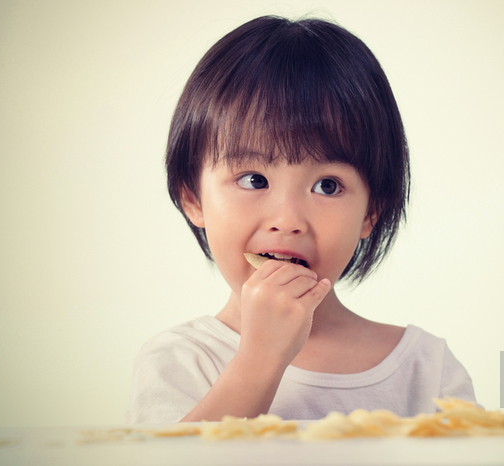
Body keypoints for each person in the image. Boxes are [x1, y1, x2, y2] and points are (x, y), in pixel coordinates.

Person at [125, 15, 476, 424]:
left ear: (371, 211)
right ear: (192, 197)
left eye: (328, 185)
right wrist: (261, 359)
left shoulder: (426, 369)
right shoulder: (180, 360)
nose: (288, 220)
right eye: (253, 179)